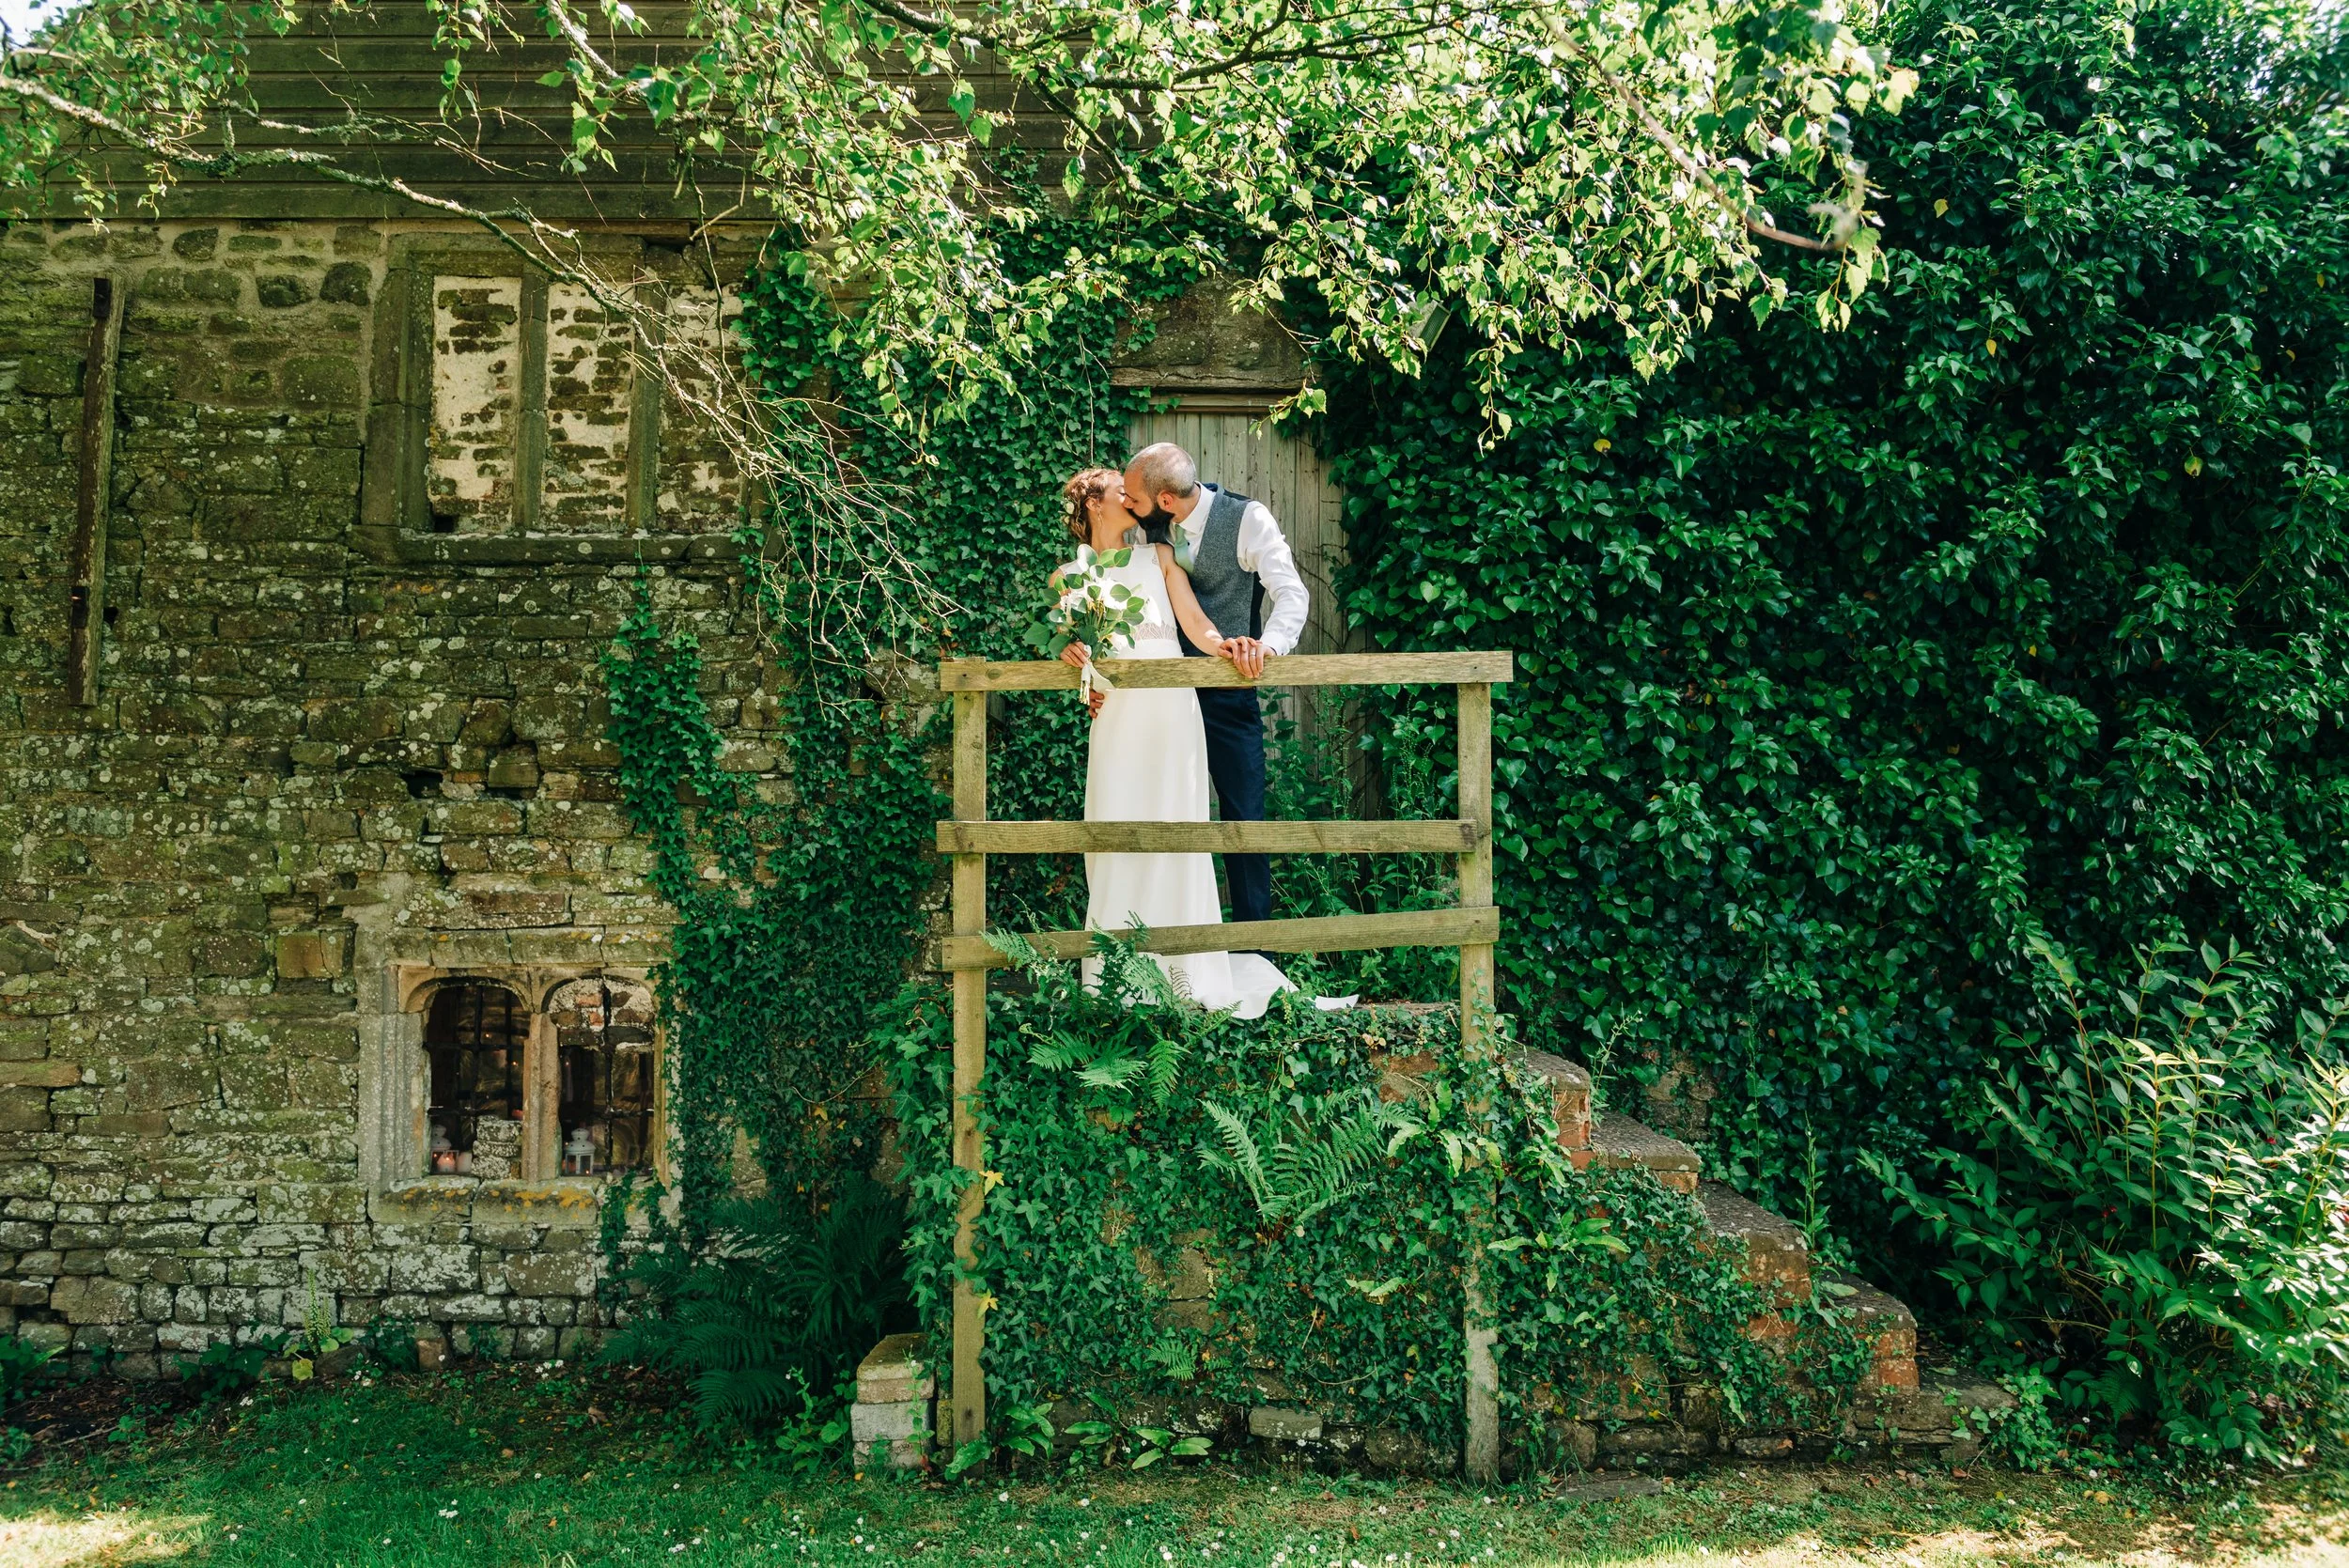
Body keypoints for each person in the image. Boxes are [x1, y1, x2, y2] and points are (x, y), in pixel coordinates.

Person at [1053, 467, 1295, 1018]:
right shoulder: (1068, 577)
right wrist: (1071, 657)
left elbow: (1195, 624)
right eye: (1121, 491)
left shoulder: (1159, 557)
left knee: (1180, 831)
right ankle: (1116, 975)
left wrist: (1231, 647)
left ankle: (1187, 969)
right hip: (1118, 718)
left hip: (1173, 712)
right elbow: (1076, 649)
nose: (1132, 498)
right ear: (1094, 503)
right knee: (1116, 829)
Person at [1120, 442, 1309, 931]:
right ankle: (1158, 940)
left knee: (1244, 816)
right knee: (1159, 812)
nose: (1127, 506)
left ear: (1165, 500)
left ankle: (1255, 945)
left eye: (1135, 499)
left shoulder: (1248, 519)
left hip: (1227, 693)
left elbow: (1290, 592)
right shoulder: (1140, 531)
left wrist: (1267, 647)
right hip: (1158, 695)